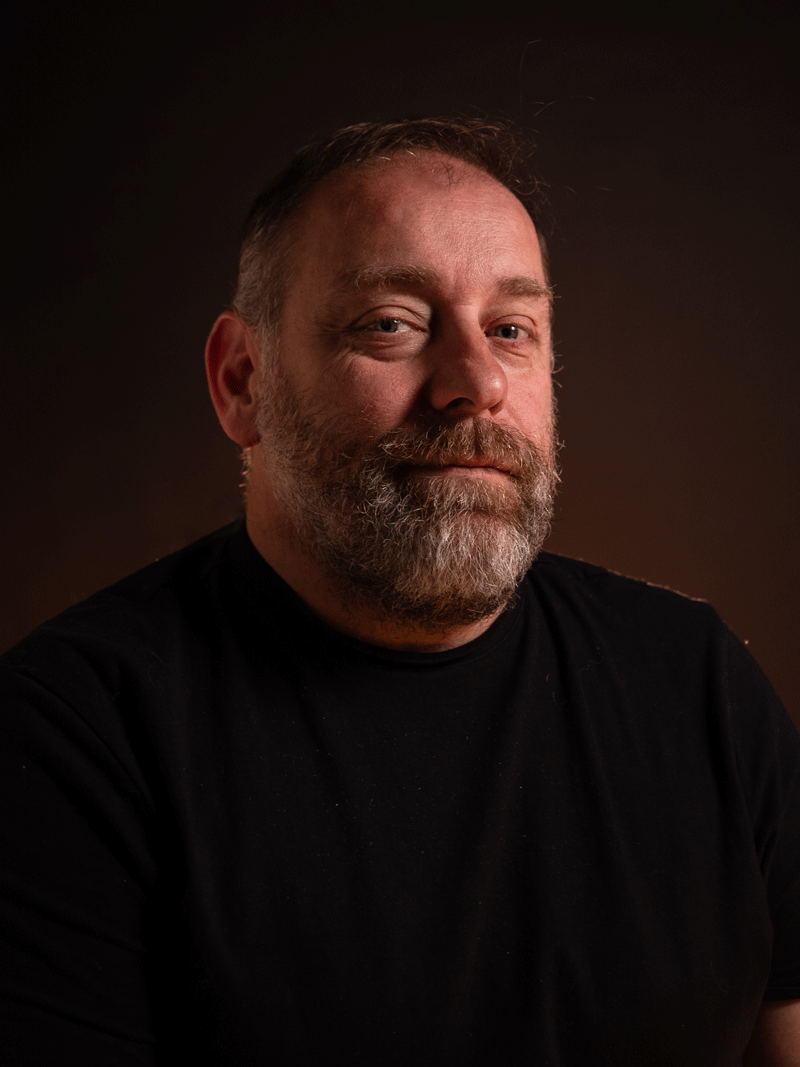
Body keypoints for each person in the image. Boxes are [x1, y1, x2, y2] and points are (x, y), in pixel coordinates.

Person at [1, 118, 798, 1066]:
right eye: (392, 322)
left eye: (510, 329)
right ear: (242, 381)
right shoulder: (71, 736)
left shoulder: (697, 683)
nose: (476, 382)